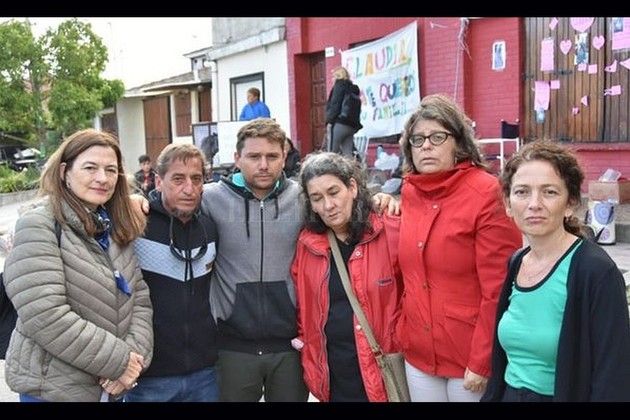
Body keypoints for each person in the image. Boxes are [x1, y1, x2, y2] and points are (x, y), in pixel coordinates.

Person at [130, 118, 399, 402]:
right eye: (254, 157)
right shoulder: (210, 198)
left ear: (284, 156)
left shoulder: (303, 198)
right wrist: (138, 200)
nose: (263, 165)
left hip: (289, 346)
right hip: (232, 347)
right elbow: (173, 199)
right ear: (237, 158)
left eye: (272, 156)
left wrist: (379, 199)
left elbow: (342, 206)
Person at [2, 128, 153, 402]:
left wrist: (133, 360)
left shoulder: (112, 226)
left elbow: (139, 299)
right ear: (64, 172)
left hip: (109, 388)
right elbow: (45, 314)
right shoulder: (39, 225)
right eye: (90, 168)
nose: (102, 178)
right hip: (54, 391)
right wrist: (120, 362)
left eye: (110, 170)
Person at [481, 140, 630, 402]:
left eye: (549, 192)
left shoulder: (595, 271)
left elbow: (613, 375)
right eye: (522, 192)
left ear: (571, 203)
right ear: (507, 203)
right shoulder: (517, 262)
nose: (534, 204)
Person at [396, 93, 523, 402]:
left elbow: (498, 289)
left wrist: (482, 360)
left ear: (459, 143)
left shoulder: (486, 193)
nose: (426, 146)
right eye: (417, 139)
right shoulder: (409, 192)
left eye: (437, 137)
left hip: (468, 356)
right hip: (419, 352)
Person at [290, 152, 403, 402]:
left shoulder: (389, 228)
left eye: (334, 192)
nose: (328, 206)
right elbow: (303, 308)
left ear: (352, 187)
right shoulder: (308, 244)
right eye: (317, 198)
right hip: (333, 375)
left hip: (383, 370)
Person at [124, 144, 219, 402]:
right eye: (178, 179)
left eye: (196, 179)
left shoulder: (210, 229)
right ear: (158, 181)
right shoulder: (135, 226)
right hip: (148, 378)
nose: (189, 189)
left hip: (205, 374)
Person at [325, 66, 363, 158]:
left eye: (334, 76)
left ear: (338, 76)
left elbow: (335, 105)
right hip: (351, 126)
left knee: (332, 153)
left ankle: (331, 168)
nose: (332, 79)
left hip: (339, 123)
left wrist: (329, 121)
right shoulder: (353, 89)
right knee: (348, 153)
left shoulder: (339, 86)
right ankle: (352, 167)